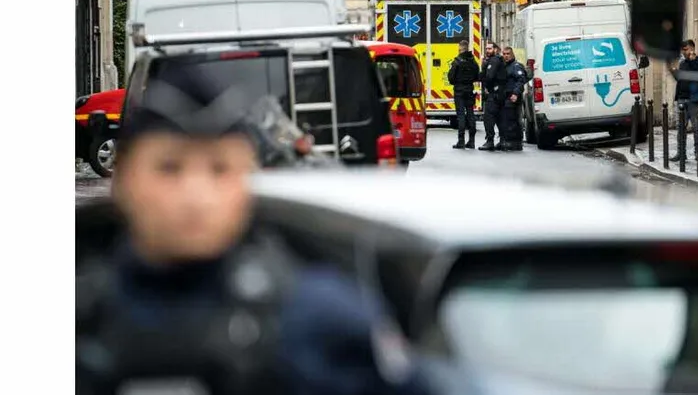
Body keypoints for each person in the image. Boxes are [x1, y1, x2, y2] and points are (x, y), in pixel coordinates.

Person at [76, 61, 433, 395]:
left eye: (220, 169)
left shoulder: (324, 321)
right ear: (123, 180)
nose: (196, 196)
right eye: (169, 167)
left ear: (250, 183)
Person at [670, 40, 698, 160]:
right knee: (680, 128)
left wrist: (693, 61)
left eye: (686, 49)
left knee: (697, 128)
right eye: (682, 50)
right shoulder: (683, 63)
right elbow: (680, 79)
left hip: (694, 99)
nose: (683, 52)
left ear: (692, 48)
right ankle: (681, 153)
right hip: (682, 98)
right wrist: (674, 71)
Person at [447, 39, 480, 149]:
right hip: (469, 89)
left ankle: (461, 141)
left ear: (460, 49)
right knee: (471, 114)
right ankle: (472, 141)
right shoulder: (473, 61)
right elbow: (477, 76)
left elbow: (451, 78)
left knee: (461, 115)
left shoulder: (457, 61)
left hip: (459, 90)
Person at [497, 46, 528, 152]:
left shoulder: (516, 66)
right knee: (505, 120)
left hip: (513, 97)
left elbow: (521, 80)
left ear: (512, 54)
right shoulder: (504, 67)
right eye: (504, 54)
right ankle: (505, 141)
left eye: (508, 54)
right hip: (505, 97)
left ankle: (515, 143)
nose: (505, 56)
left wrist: (515, 93)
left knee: (513, 120)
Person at [478, 41, 505, 151]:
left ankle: (490, 141)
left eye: (490, 49)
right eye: (486, 49)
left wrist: (487, 88)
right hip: (499, 94)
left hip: (494, 94)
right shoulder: (496, 60)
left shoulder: (493, 61)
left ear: (495, 49)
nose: (487, 51)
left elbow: (489, 77)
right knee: (499, 118)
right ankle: (503, 140)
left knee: (488, 118)